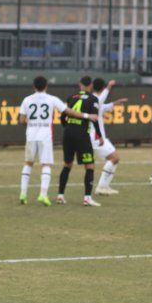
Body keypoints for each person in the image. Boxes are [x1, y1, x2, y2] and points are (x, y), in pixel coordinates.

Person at [18, 76, 67, 206]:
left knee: (28, 163)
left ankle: (23, 193)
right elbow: (66, 110)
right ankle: (43, 194)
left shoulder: (27, 99)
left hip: (31, 135)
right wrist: (86, 115)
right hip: (45, 136)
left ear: (34, 86)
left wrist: (32, 122)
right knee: (46, 164)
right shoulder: (52, 99)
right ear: (46, 86)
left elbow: (22, 120)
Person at [56, 76, 102, 206]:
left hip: (68, 133)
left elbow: (63, 116)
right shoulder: (93, 99)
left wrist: (67, 128)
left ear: (80, 84)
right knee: (90, 165)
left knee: (67, 164)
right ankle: (87, 198)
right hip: (82, 134)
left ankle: (60, 195)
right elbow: (94, 118)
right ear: (91, 85)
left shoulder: (71, 97)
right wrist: (99, 135)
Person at [91, 78, 128, 195]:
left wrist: (115, 103)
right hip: (96, 137)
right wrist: (109, 86)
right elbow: (101, 101)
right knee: (114, 158)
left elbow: (103, 107)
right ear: (102, 88)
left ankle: (105, 186)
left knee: (115, 159)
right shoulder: (96, 99)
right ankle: (101, 187)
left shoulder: (94, 100)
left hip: (97, 137)